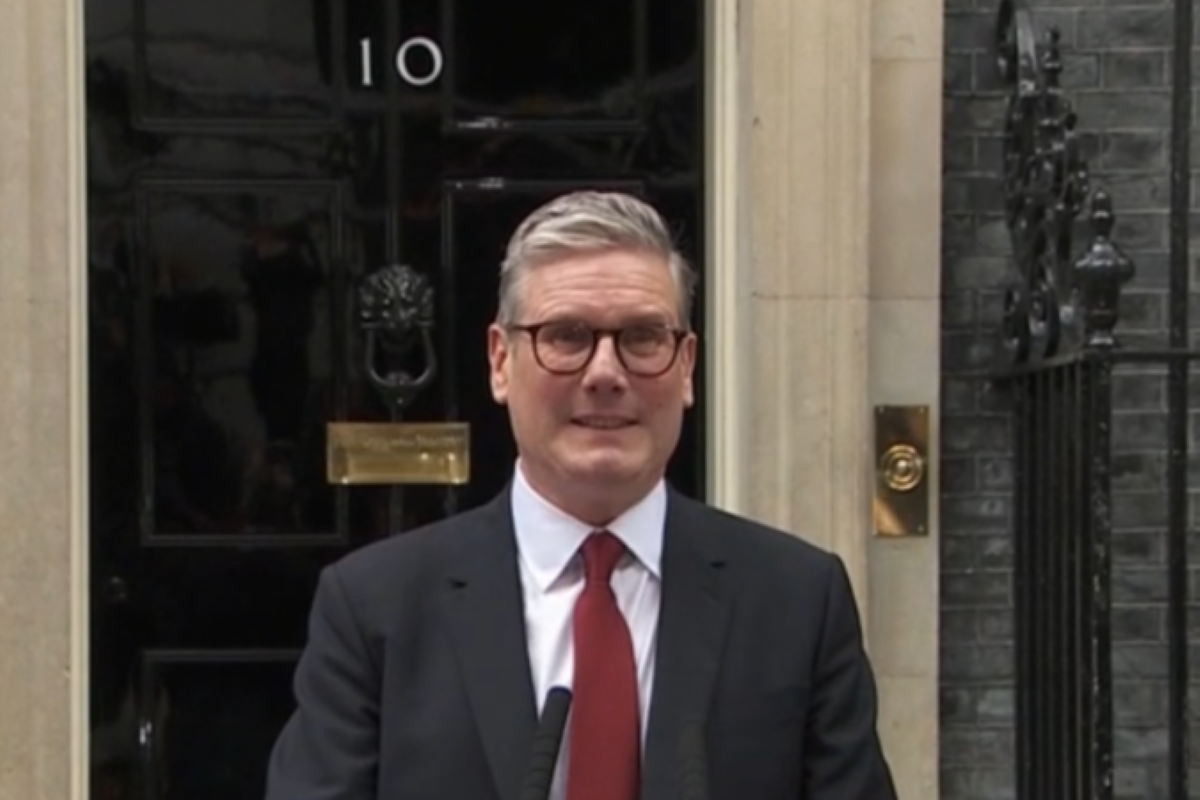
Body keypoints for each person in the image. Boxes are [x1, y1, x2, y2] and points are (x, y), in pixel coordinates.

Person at [264, 190, 897, 800]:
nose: (604, 374)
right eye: (566, 336)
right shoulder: (375, 608)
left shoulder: (797, 602)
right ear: (500, 362)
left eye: (644, 338)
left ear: (686, 368)